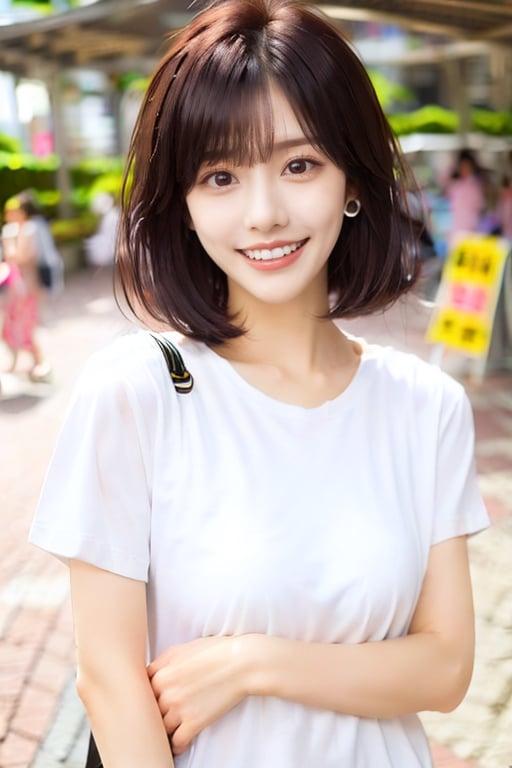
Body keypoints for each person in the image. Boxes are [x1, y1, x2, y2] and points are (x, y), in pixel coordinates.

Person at [29, 2, 489, 767]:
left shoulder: (424, 405)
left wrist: (254, 663)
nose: (265, 213)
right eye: (221, 175)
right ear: (183, 203)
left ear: (350, 177)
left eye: (299, 164)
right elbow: (107, 680)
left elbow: (444, 670)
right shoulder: (139, 392)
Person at [1, 192, 53, 381]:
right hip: (16, 287)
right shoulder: (12, 230)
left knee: (27, 326)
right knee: (15, 325)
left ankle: (39, 363)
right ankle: (28, 363)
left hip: (28, 287)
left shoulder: (30, 229)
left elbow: (24, 257)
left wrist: (11, 250)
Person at [445, 148, 485, 248]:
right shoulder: (456, 185)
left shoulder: (475, 185)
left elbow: (479, 206)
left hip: (471, 230)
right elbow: (445, 184)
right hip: (457, 230)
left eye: (467, 166)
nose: (464, 169)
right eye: (462, 166)